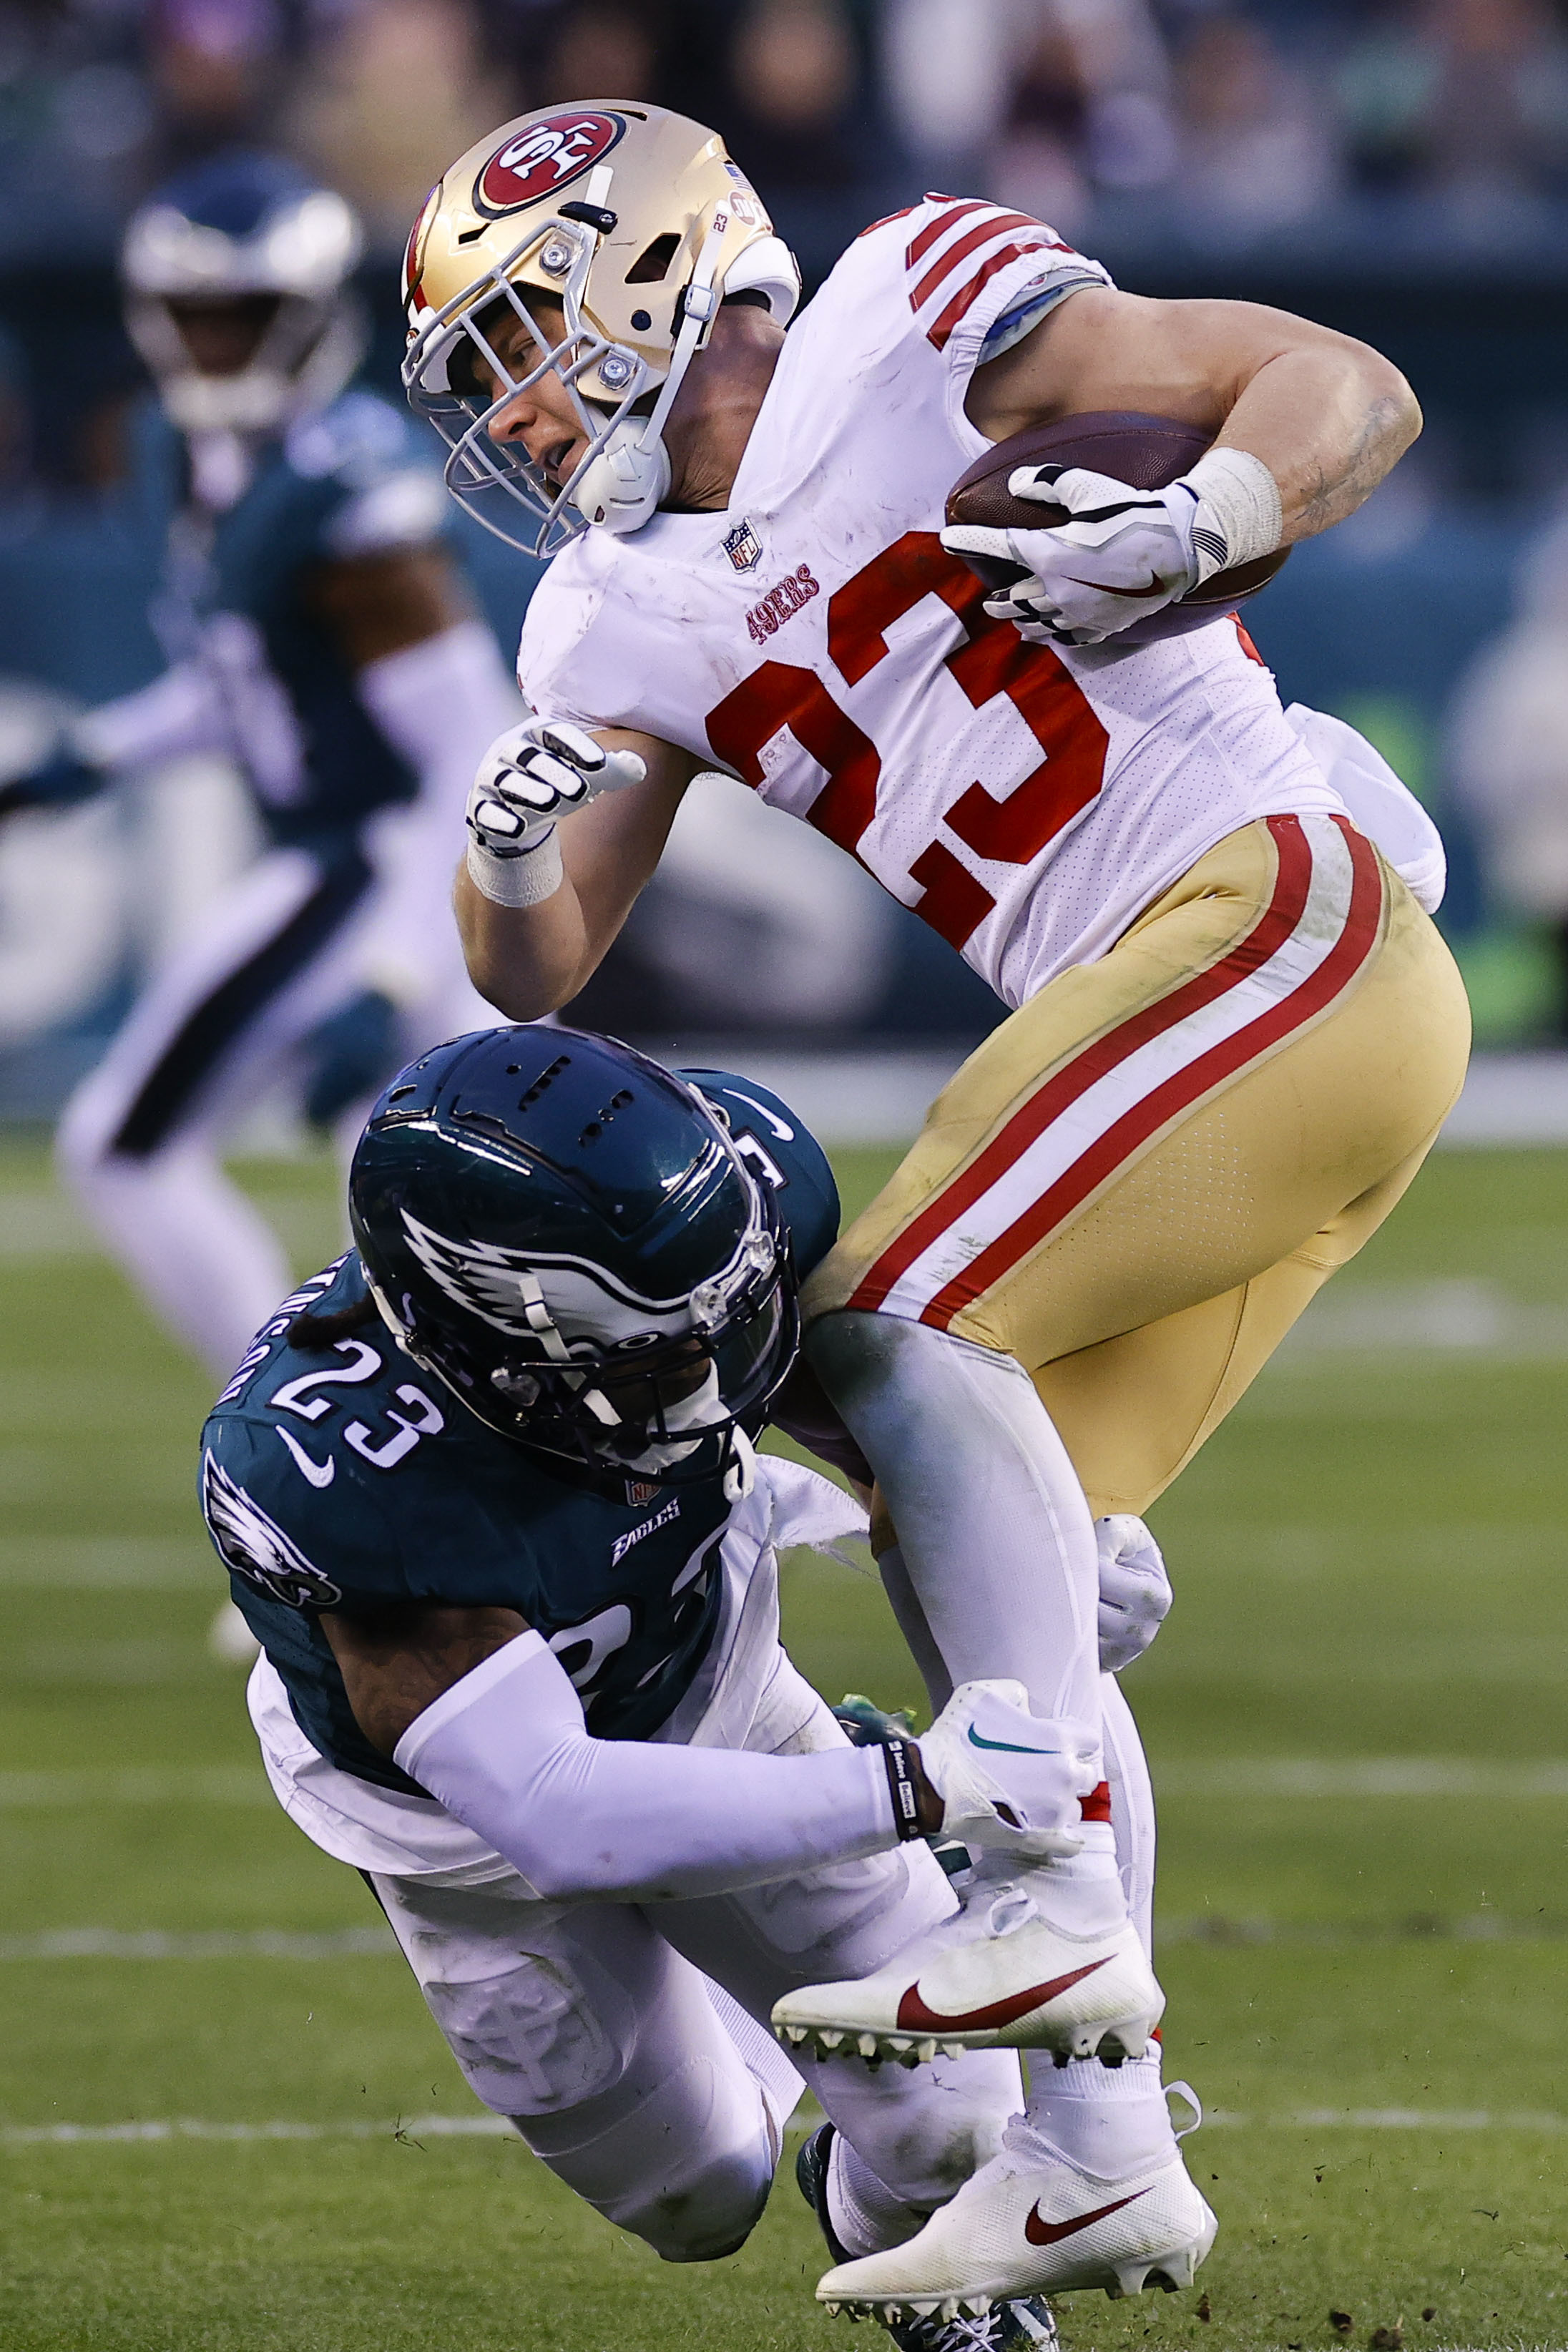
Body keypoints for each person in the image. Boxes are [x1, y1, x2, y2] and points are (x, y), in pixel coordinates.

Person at [396, 104, 1471, 2315]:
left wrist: (1211, 514)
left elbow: (1345, 387)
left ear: (647, 266)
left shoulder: (905, 313)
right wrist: (504, 867)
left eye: (517, 333)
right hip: (1192, 1017)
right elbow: (548, 963)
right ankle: (1095, 2143)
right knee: (989, 1549)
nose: (508, 406)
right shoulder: (606, 610)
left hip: (1271, 912)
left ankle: (1044, 1901)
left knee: (875, 1340)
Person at [201, 1023, 1170, 2348]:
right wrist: (910, 1784)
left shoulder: (741, 1191)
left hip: (714, 1683)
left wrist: (1068, 1540)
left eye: (725, 1325)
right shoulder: (341, 1466)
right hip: (470, 1845)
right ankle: (803, 1920)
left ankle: (894, 2233)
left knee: (955, 2126)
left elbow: (884, 1410)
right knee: (700, 2197)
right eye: (655, 1362)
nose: (715, 1386)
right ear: (489, 1340)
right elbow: (555, 1808)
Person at [0, 148, 519, 1389]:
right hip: (338, 866)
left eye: (245, 319)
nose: (219, 346)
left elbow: (472, 751)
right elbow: (248, 687)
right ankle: (338, 1465)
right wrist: (94, 759)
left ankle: (304, 1441)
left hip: (392, 871)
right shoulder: (184, 457)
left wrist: (397, 973)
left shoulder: (350, 497)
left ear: (306, 319)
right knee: (425, 1240)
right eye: (198, 318)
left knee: (149, 1150)